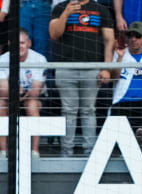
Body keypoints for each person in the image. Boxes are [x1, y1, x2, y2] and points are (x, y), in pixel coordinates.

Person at [48, 0, 114, 157]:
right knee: (68, 111)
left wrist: (106, 68)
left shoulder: (101, 10)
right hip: (66, 68)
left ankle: (89, 152)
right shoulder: (60, 7)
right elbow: (54, 34)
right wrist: (66, 14)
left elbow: (109, 40)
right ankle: (66, 153)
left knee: (89, 111)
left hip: (92, 68)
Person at [0, 28, 47, 157]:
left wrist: (19, 93)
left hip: (34, 98)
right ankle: (3, 150)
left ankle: (35, 150)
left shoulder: (39, 59)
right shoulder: (2, 59)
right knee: (0, 104)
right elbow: (2, 90)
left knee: (32, 104)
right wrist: (14, 91)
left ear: (29, 43)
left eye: (22, 43)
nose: (19, 46)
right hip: (9, 97)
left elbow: (35, 91)